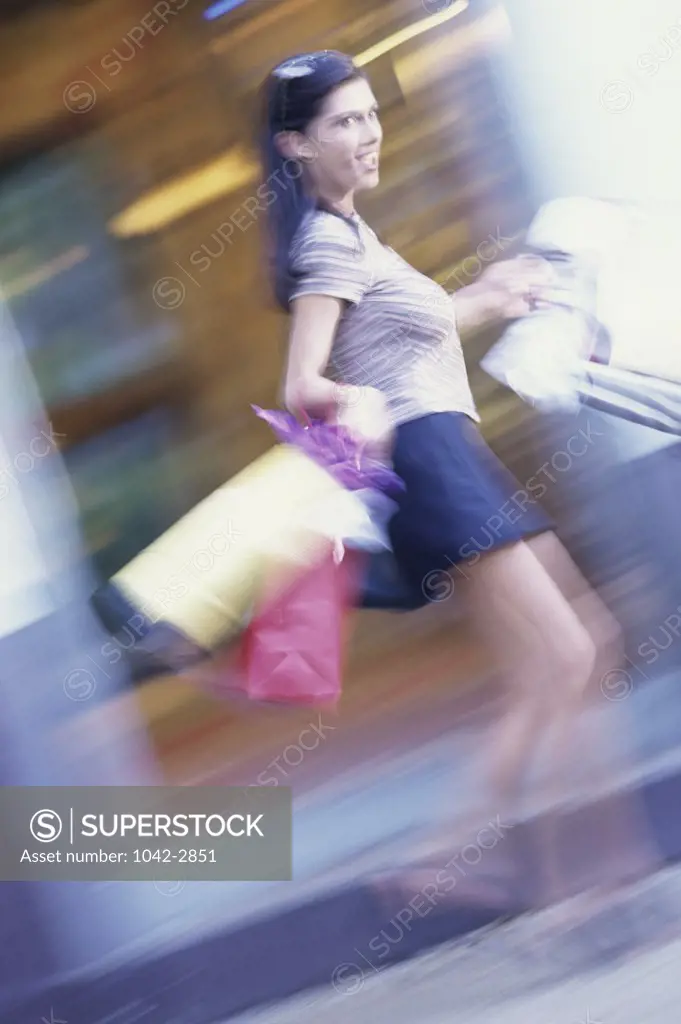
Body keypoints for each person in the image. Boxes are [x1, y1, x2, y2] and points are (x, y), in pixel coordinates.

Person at [258, 50, 640, 903]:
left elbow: (408, 339)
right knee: (570, 653)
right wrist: (354, 404)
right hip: (428, 460)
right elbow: (302, 384)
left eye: (366, 114)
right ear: (293, 145)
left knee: (576, 652)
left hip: (451, 449)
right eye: (341, 122)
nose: (365, 133)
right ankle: (500, 865)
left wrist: (489, 294)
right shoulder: (324, 241)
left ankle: (568, 872)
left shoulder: (354, 233)